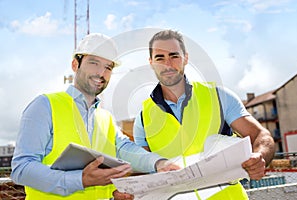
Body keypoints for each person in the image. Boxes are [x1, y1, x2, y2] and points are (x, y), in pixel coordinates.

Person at [11, 33, 179, 200]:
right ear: (75, 64)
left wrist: (159, 164)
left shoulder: (106, 118)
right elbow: (21, 168)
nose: (101, 73)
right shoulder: (44, 106)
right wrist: (80, 180)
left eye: (108, 67)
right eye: (94, 63)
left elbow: (125, 150)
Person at [133, 29, 276, 199]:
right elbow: (142, 169)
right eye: (160, 58)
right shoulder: (143, 117)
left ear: (185, 58)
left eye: (174, 56)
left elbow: (260, 135)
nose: (168, 64)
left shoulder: (219, 97)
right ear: (151, 62)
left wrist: (259, 156)